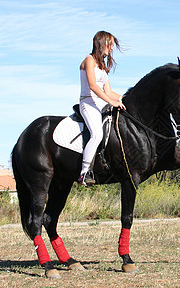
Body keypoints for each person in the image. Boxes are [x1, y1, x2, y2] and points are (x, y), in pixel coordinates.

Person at [78, 31, 126, 186]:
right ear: (101, 43)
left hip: (100, 102)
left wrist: (125, 99)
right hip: (88, 103)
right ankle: (85, 173)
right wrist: (112, 102)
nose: (111, 49)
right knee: (97, 134)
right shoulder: (89, 60)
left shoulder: (102, 66)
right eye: (110, 44)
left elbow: (110, 92)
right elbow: (92, 86)